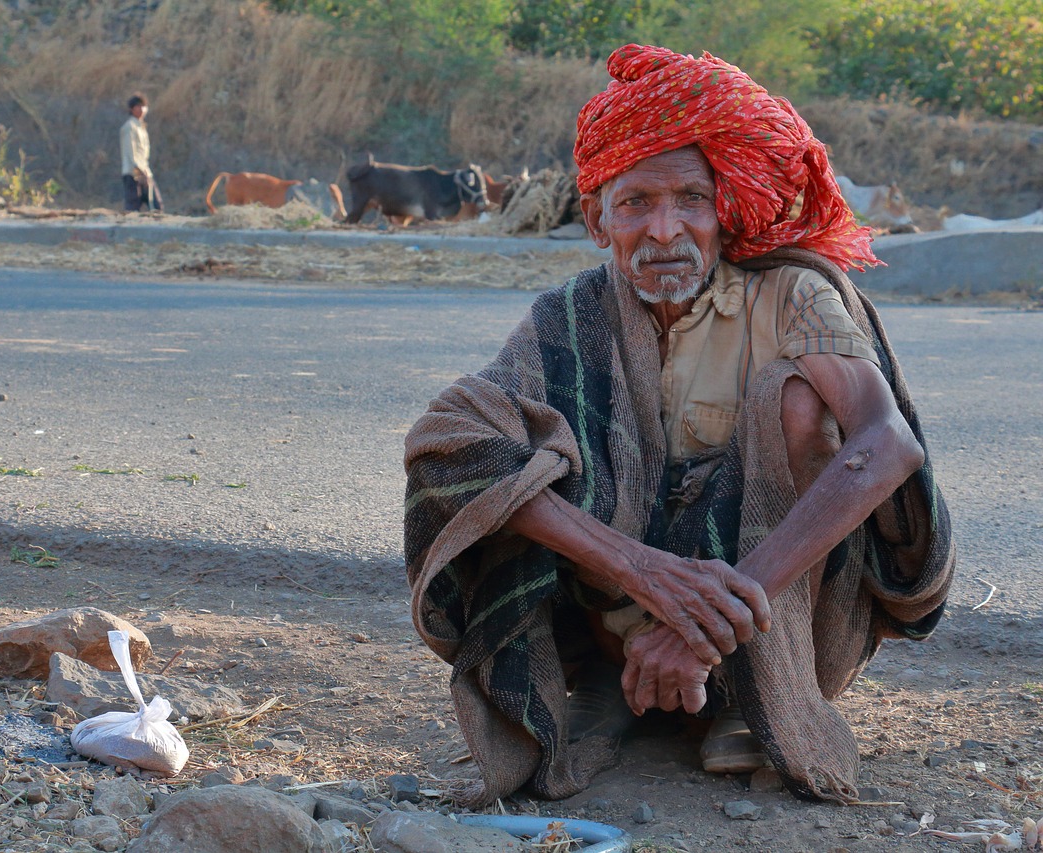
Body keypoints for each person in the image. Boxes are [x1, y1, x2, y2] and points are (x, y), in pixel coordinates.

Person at [403, 44, 955, 808]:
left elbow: (885, 442)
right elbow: (449, 439)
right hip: (609, 620)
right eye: (636, 204)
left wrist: (704, 628)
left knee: (796, 403)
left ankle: (754, 695)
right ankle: (601, 677)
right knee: (512, 452)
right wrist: (641, 570)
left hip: (775, 625)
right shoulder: (571, 317)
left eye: (690, 200)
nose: (665, 230)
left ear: (722, 207)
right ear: (596, 218)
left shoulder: (792, 295)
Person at [119, 92, 163, 213]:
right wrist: (139, 173)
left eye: (144, 106)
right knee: (133, 208)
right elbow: (131, 153)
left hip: (145, 172)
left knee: (156, 206)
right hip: (134, 173)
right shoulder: (130, 127)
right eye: (138, 106)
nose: (142, 109)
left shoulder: (141, 127)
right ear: (131, 109)